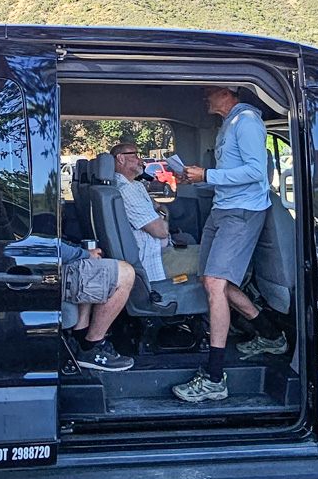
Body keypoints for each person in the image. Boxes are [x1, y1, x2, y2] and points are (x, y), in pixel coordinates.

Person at [172, 85, 288, 405]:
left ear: (227, 92)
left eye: (209, 91)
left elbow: (255, 171)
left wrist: (207, 175)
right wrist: (197, 178)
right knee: (211, 280)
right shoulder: (229, 124)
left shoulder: (246, 121)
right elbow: (231, 173)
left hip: (242, 212)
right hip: (223, 209)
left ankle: (214, 378)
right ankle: (270, 335)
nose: (204, 96)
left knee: (215, 282)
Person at [61, 238, 136, 372]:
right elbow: (49, 246)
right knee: (126, 273)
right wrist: (85, 254)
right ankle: (92, 345)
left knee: (95, 268)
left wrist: (79, 249)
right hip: (52, 269)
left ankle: (80, 332)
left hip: (57, 264)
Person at [112, 142, 170, 282]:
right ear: (120, 158)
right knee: (205, 258)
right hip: (152, 256)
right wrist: (161, 213)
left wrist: (159, 212)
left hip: (159, 248)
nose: (141, 160)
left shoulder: (135, 185)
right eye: (136, 155)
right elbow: (161, 232)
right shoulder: (125, 189)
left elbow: (157, 208)